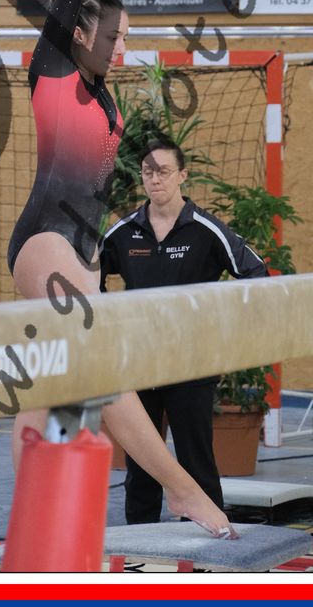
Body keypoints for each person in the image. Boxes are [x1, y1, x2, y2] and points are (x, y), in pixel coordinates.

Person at [7, 0, 237, 539]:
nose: (124, 46)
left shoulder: (96, 85)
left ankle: (34, 524)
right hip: (46, 238)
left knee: (55, 385)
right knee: (101, 367)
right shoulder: (53, 65)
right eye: (116, 37)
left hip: (80, 248)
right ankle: (184, 491)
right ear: (78, 35)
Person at [101, 140, 268, 524]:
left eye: (163, 171)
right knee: (142, 464)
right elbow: (88, 276)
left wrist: (225, 328)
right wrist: (111, 328)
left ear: (182, 176)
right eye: (147, 172)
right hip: (140, 365)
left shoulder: (207, 230)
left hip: (192, 364)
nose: (155, 179)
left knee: (197, 461)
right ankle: (140, 545)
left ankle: (205, 541)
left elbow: (257, 275)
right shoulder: (124, 232)